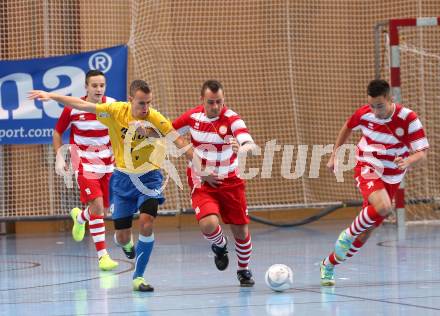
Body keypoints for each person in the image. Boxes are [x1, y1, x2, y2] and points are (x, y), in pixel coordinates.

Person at [29, 79, 195, 292]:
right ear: (130, 100)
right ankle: (117, 238)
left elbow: (178, 140)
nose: (146, 108)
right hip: (122, 178)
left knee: (146, 222)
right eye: (141, 104)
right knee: (122, 234)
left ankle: (138, 277)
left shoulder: (155, 119)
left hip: (149, 177)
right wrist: (51, 95)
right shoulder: (115, 111)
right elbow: (81, 105)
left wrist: (202, 165)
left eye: (149, 103)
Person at [320, 79, 429, 286]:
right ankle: (347, 234)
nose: (375, 111)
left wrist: (408, 160)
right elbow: (347, 127)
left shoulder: (408, 118)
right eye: (371, 105)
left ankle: (328, 264)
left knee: (367, 231)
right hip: (367, 165)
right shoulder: (364, 114)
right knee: (385, 207)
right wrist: (334, 155)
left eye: (379, 105)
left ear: (390, 99)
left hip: (392, 177)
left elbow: (422, 153)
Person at [172, 80, 257, 287]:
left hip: (231, 181)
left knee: (241, 231)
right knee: (208, 224)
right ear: (202, 100)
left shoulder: (231, 119)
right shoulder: (192, 117)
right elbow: (169, 132)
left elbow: (250, 143)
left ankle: (243, 270)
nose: (216, 107)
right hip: (202, 181)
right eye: (211, 102)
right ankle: (220, 246)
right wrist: (143, 129)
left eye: (219, 102)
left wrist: (242, 149)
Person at [53, 69, 118, 271]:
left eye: (102, 85)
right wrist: (59, 156)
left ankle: (80, 217)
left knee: (102, 210)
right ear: (86, 87)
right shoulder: (73, 109)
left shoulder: (112, 105)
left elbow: (119, 130)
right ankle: (103, 257)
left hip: (107, 164)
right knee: (98, 207)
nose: (98, 89)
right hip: (83, 163)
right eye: (94, 85)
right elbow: (57, 131)